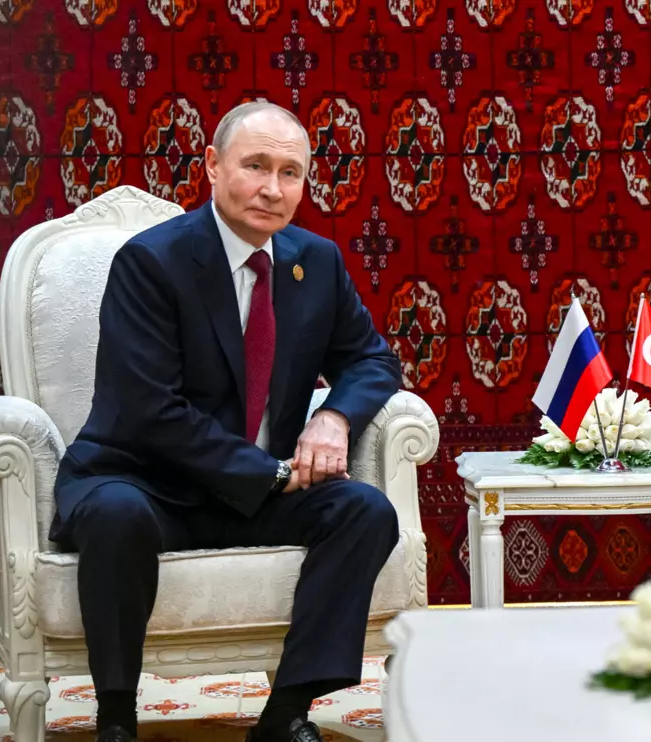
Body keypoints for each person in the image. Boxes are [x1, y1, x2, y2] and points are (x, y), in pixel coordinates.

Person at [51, 101, 403, 742]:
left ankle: (286, 712)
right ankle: (116, 719)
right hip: (146, 482)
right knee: (114, 515)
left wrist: (333, 419)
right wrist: (268, 474)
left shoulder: (314, 262)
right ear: (213, 167)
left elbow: (373, 360)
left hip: (257, 491)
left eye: (290, 172)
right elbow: (149, 411)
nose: (272, 188)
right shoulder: (152, 261)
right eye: (256, 166)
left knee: (365, 511)